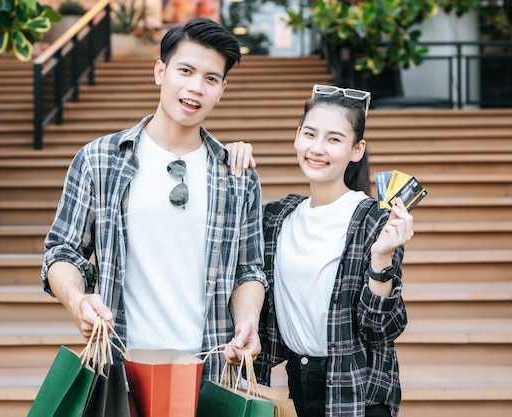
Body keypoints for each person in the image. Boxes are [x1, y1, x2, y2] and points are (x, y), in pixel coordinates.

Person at [41, 17, 267, 382]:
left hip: (211, 370)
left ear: (222, 89)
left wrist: (247, 322)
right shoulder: (100, 160)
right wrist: (78, 301)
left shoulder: (237, 174)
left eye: (210, 79)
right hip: (120, 368)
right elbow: (63, 252)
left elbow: (249, 269)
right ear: (160, 71)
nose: (196, 87)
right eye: (186, 71)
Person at [227, 85, 414, 417]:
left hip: (358, 391)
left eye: (334, 139)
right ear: (296, 136)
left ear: (357, 150)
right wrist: (224, 156)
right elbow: (234, 251)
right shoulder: (276, 217)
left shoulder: (374, 220)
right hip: (298, 381)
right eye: (310, 134)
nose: (317, 148)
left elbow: (380, 330)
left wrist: (381, 257)